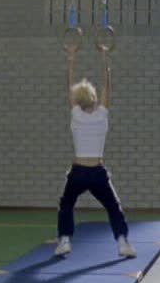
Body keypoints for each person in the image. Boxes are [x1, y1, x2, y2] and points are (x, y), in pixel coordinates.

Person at [54, 44, 137, 258]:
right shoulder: (102, 114)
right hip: (97, 172)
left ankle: (65, 240)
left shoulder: (75, 114)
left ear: (77, 100)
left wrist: (71, 58)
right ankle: (122, 242)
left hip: (78, 172)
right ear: (94, 97)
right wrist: (105, 59)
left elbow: (69, 85)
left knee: (66, 204)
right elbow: (107, 87)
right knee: (113, 206)